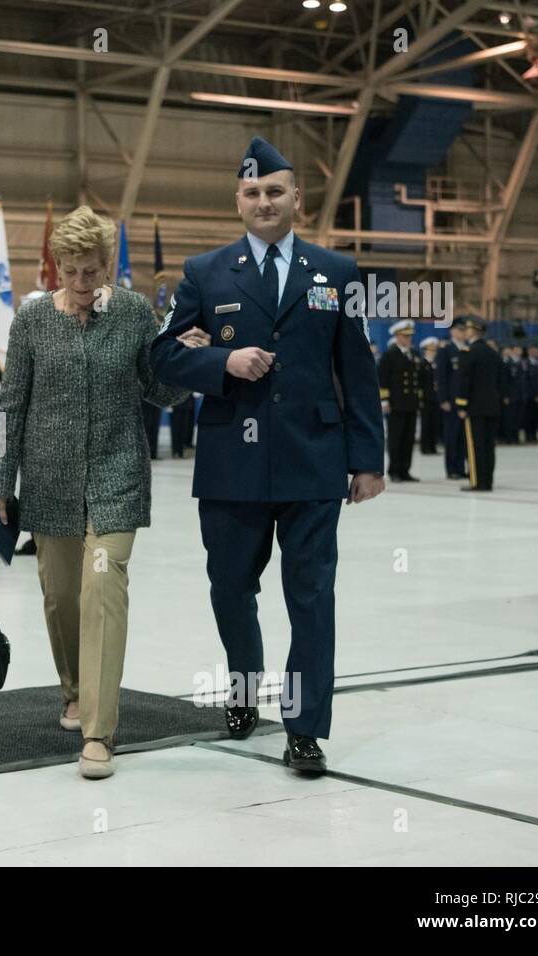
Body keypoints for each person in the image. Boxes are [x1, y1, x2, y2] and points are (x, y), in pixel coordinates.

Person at [150, 136, 385, 776]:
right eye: (252, 192)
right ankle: (245, 688)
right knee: (231, 588)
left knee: (311, 598)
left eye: (274, 191)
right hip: (232, 464)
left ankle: (305, 730)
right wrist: (221, 361)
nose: (263, 201)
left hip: (314, 461)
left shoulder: (337, 274)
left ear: (296, 200)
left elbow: (356, 369)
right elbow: (163, 353)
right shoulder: (205, 272)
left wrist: (367, 458)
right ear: (238, 201)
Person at [0, 204, 192, 781]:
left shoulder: (130, 313)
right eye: (70, 272)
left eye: (92, 272)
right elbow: (11, 406)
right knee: (61, 598)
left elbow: (161, 391)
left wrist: (187, 358)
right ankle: (73, 690)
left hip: (117, 476)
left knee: (102, 588)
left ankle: (100, 732)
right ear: (55, 266)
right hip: (48, 484)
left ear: (108, 266)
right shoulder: (30, 321)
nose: (81, 284)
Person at [456, 318, 501, 491]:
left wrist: (461, 405)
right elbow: (501, 380)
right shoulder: (492, 352)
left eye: (467, 330)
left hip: (475, 408)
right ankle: (488, 481)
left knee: (475, 447)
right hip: (492, 407)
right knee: (489, 446)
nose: (465, 332)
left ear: (473, 331)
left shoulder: (469, 352)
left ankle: (477, 482)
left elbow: (464, 380)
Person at [378, 319, 422, 482]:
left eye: (409, 336)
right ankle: (394, 470)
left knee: (408, 439)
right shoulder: (390, 354)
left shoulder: (414, 354)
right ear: (397, 336)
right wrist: (384, 401)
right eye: (405, 336)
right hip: (396, 403)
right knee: (396, 438)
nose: (408, 339)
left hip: (410, 403)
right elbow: (383, 379)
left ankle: (405, 470)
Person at [436, 322, 469, 479]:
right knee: (451, 437)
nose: (463, 333)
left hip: (465, 401)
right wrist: (443, 399)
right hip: (451, 401)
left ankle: (460, 467)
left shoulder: (467, 349)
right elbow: (441, 377)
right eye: (460, 330)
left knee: (463, 437)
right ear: (453, 331)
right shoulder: (446, 350)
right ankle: (451, 469)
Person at [418, 336, 440, 454]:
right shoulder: (422, 364)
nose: (432, 352)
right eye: (430, 350)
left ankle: (433, 446)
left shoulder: (436, 364)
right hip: (426, 398)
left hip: (435, 398)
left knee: (434, 423)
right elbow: (420, 383)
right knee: (426, 424)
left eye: (434, 350)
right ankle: (425, 447)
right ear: (425, 350)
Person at [524, 344, 538, 442]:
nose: (534, 352)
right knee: (528, 418)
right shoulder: (524, 363)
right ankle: (529, 437)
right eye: (532, 350)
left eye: (536, 350)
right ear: (528, 351)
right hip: (528, 397)